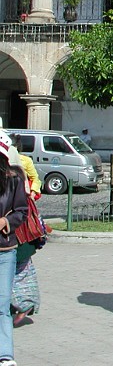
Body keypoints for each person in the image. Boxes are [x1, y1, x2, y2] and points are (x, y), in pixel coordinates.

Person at [0, 132, 30, 366]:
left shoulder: (13, 180)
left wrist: (6, 221)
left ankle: (5, 355)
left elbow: (21, 211)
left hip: (4, 250)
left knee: (2, 304)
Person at [9, 135, 42, 328]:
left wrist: (31, 192)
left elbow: (35, 180)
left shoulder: (22, 164)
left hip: (19, 221)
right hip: (16, 218)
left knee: (19, 263)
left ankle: (23, 303)